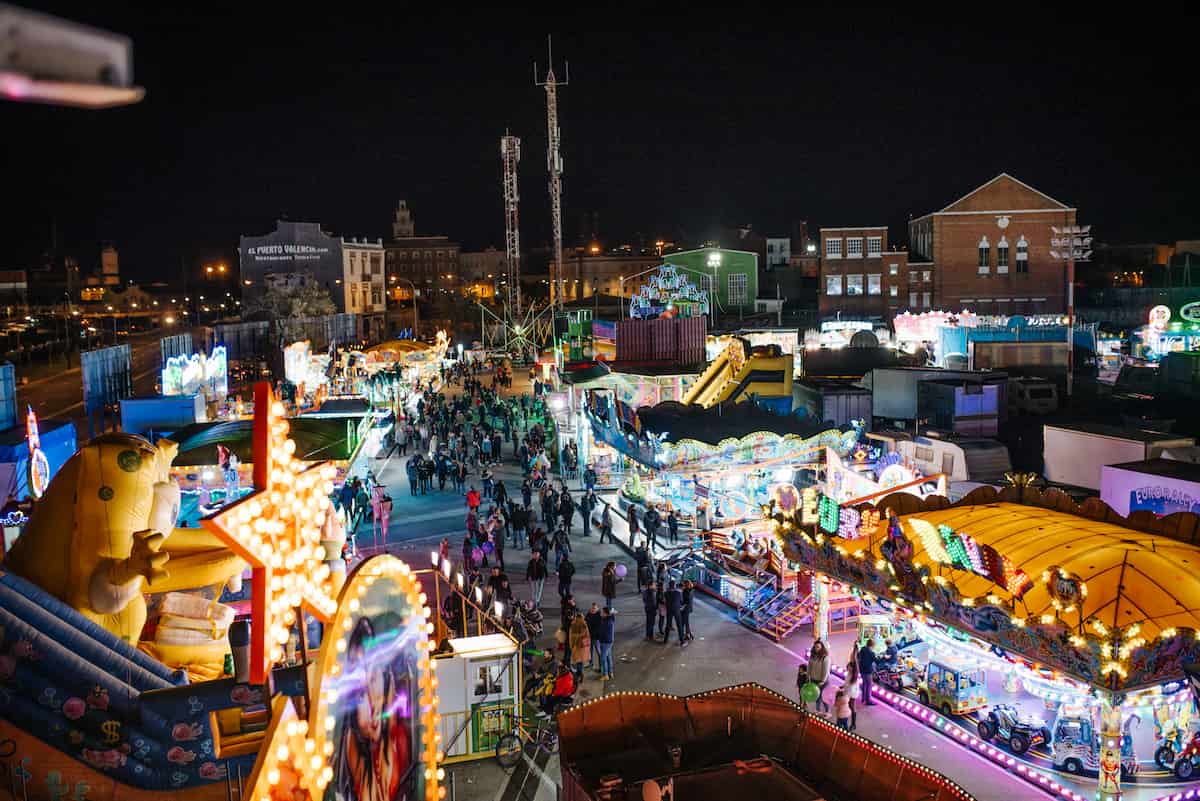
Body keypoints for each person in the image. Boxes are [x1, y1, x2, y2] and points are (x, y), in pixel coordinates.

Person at [332, 616, 413, 801]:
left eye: (375, 676)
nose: (372, 701)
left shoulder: (400, 742)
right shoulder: (350, 753)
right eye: (361, 694)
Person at [808, 639, 831, 715]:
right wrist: (808, 676)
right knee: (817, 696)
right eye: (815, 647)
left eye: (818, 647)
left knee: (823, 697)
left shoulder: (825, 658)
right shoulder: (813, 656)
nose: (816, 649)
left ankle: (827, 712)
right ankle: (818, 710)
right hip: (814, 679)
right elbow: (809, 666)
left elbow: (826, 671)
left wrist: (823, 681)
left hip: (822, 681)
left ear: (822, 647)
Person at [568, 612, 590, 682]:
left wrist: (572, 644)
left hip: (576, 646)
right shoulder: (584, 624)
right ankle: (580, 674)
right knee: (580, 662)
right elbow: (587, 636)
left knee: (578, 661)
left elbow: (571, 636)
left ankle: (579, 674)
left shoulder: (573, 624)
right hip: (582, 647)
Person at [663, 580, 685, 646]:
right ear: (675, 586)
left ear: (669, 586)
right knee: (679, 625)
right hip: (677, 610)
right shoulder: (678, 593)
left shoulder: (666, 593)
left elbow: (664, 601)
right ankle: (682, 641)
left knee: (668, 625)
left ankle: (665, 640)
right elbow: (681, 601)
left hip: (669, 610)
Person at [596, 607, 616, 681]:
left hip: (605, 642)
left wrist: (598, 637)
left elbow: (602, 632)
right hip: (609, 641)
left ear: (606, 614)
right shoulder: (609, 619)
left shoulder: (606, 622)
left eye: (602, 612)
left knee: (603, 658)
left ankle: (605, 675)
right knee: (608, 657)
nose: (601, 613)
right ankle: (610, 672)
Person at [856, 641, 877, 706]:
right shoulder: (871, 653)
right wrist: (883, 657)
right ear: (872, 645)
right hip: (868, 671)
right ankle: (868, 700)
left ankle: (863, 698)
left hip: (861, 670)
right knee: (869, 685)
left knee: (864, 684)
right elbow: (876, 661)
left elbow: (858, 656)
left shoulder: (862, 649)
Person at [584, 602, 602, 671]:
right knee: (589, 651)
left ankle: (601, 666)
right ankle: (591, 663)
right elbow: (585, 621)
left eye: (594, 608)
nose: (593, 609)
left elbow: (599, 628)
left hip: (596, 637)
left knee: (598, 651)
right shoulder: (589, 614)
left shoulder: (599, 616)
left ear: (597, 608)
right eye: (592, 608)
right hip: (589, 636)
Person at [844, 659, 860, 731]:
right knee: (848, 708)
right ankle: (848, 722)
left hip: (852, 694)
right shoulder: (849, 674)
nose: (848, 669)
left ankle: (853, 724)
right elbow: (846, 684)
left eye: (850, 667)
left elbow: (852, 687)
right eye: (848, 667)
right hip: (847, 693)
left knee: (852, 708)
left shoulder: (854, 677)